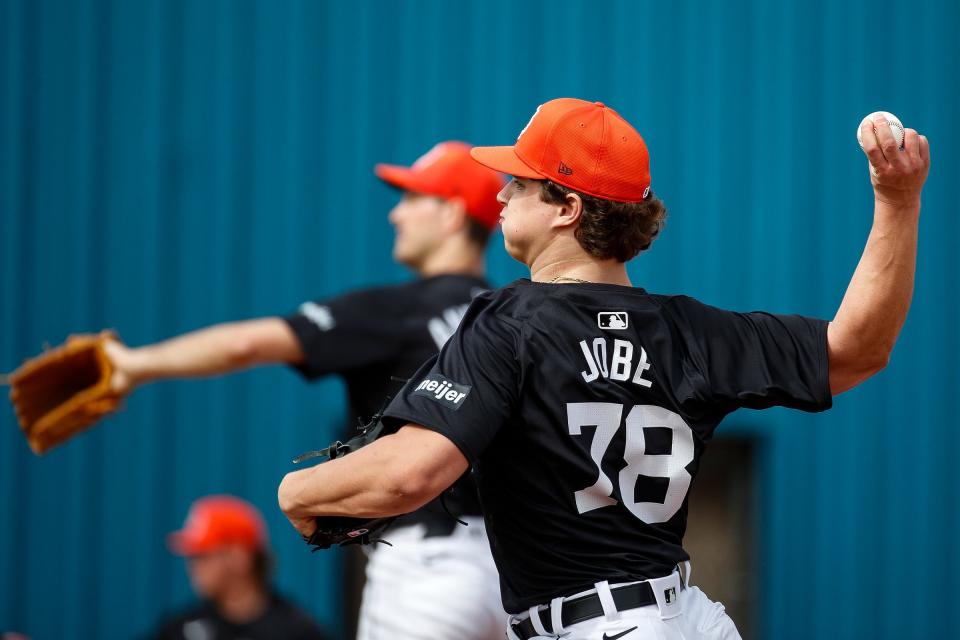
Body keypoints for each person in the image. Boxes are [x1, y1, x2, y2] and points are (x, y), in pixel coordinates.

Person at [277, 99, 930, 640]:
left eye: (520, 182)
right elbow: (857, 351)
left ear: (567, 208)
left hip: (598, 626)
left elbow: (411, 473)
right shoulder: (690, 330)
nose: (500, 194)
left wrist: (298, 492)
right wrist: (897, 202)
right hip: (688, 620)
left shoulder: (511, 319)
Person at [105, 141, 507, 639]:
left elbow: (246, 344)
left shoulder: (397, 308)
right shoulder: (504, 322)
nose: (395, 214)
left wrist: (132, 366)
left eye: (409, 198)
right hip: (511, 573)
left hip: (427, 569)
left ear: (450, 213)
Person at [154, 494, 328, 640]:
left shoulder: (297, 631)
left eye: (203, 556)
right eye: (192, 557)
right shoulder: (180, 629)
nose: (193, 567)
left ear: (239, 556)